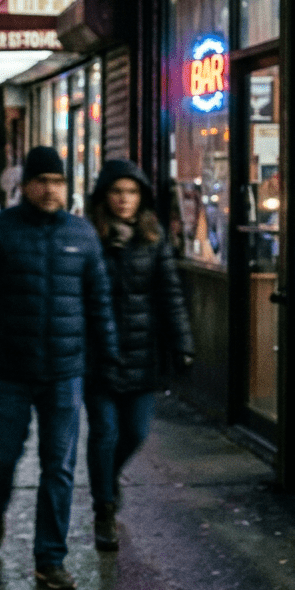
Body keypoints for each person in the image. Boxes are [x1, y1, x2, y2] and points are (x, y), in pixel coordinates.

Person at [0, 145, 119, 590]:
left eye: (58, 182)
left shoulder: (82, 235)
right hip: (10, 370)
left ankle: (50, 559)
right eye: (43, 181)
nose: (51, 189)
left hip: (65, 372)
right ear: (26, 185)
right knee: (3, 455)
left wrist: (108, 356)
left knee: (59, 467)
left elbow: (99, 301)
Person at [85, 159, 195, 551]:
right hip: (98, 354)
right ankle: (104, 508)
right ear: (104, 196)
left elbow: (170, 293)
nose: (124, 199)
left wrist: (182, 343)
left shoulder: (153, 237)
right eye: (117, 191)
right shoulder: (89, 237)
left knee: (135, 431)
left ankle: (108, 478)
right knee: (104, 432)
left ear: (141, 197)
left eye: (131, 192)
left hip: (142, 352)